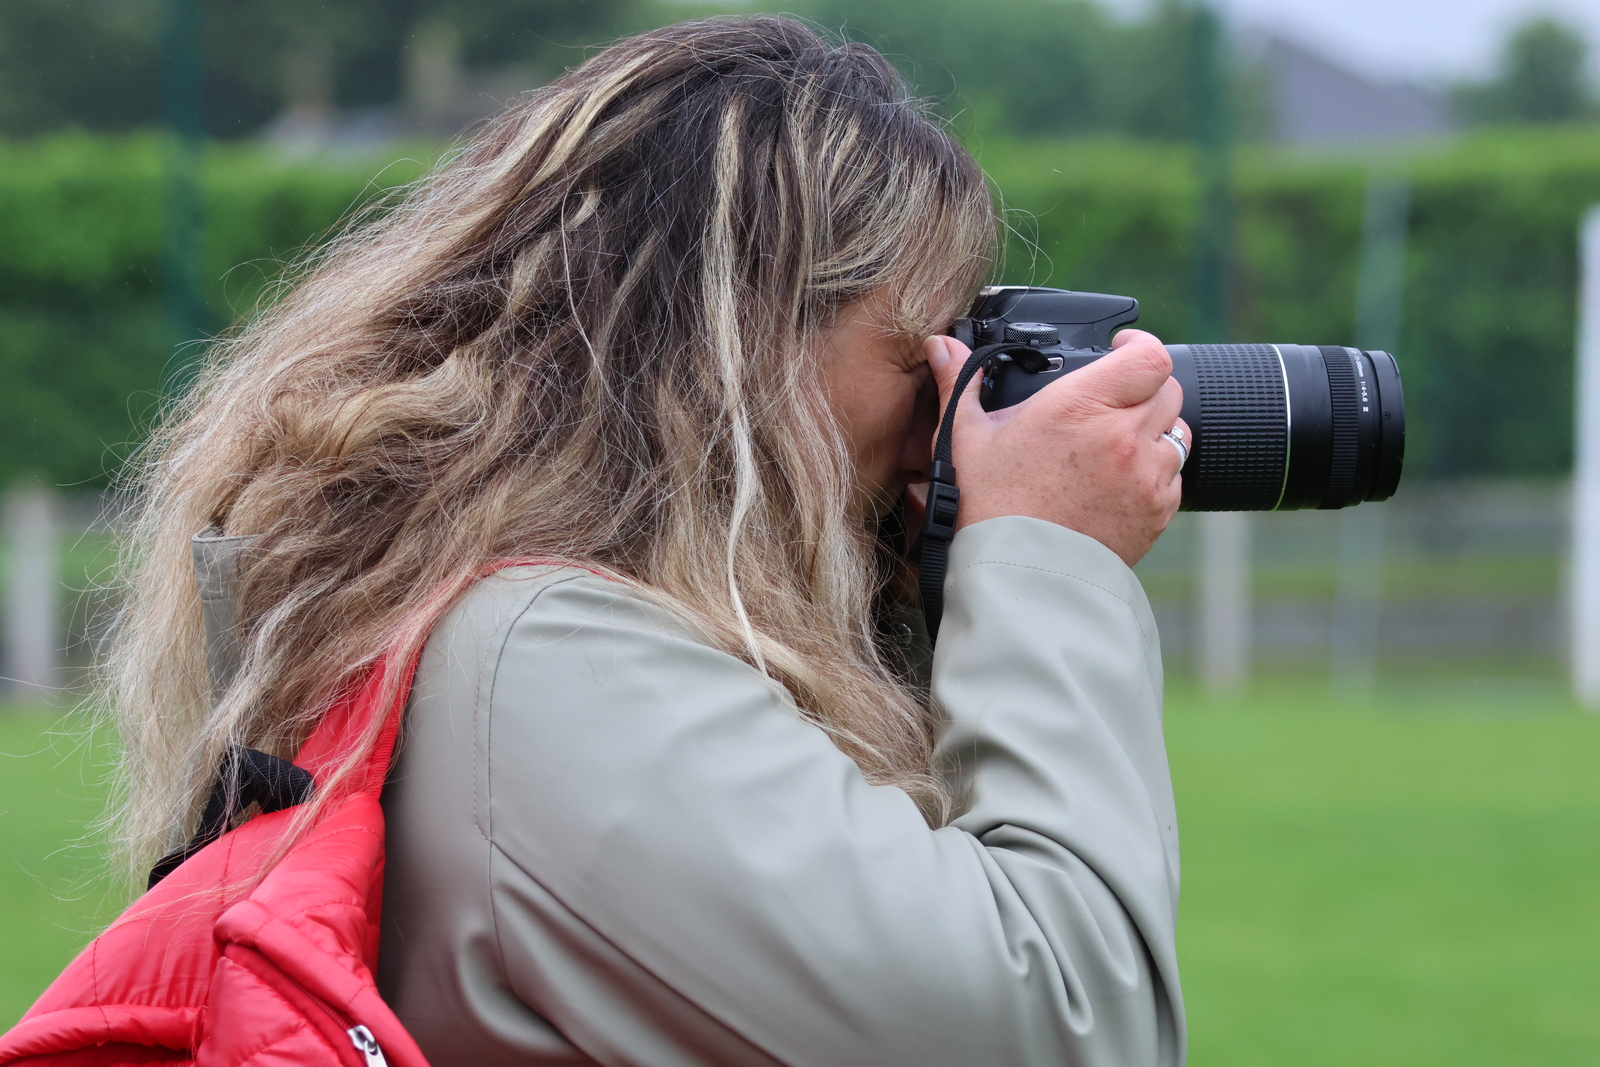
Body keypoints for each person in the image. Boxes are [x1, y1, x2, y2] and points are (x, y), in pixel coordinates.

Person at [106, 16, 1191, 1067]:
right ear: (744, 350)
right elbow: (1065, 1021)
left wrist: (933, 580)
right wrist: (1043, 552)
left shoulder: (498, 642)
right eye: (926, 359)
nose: (946, 421)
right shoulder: (543, 663)